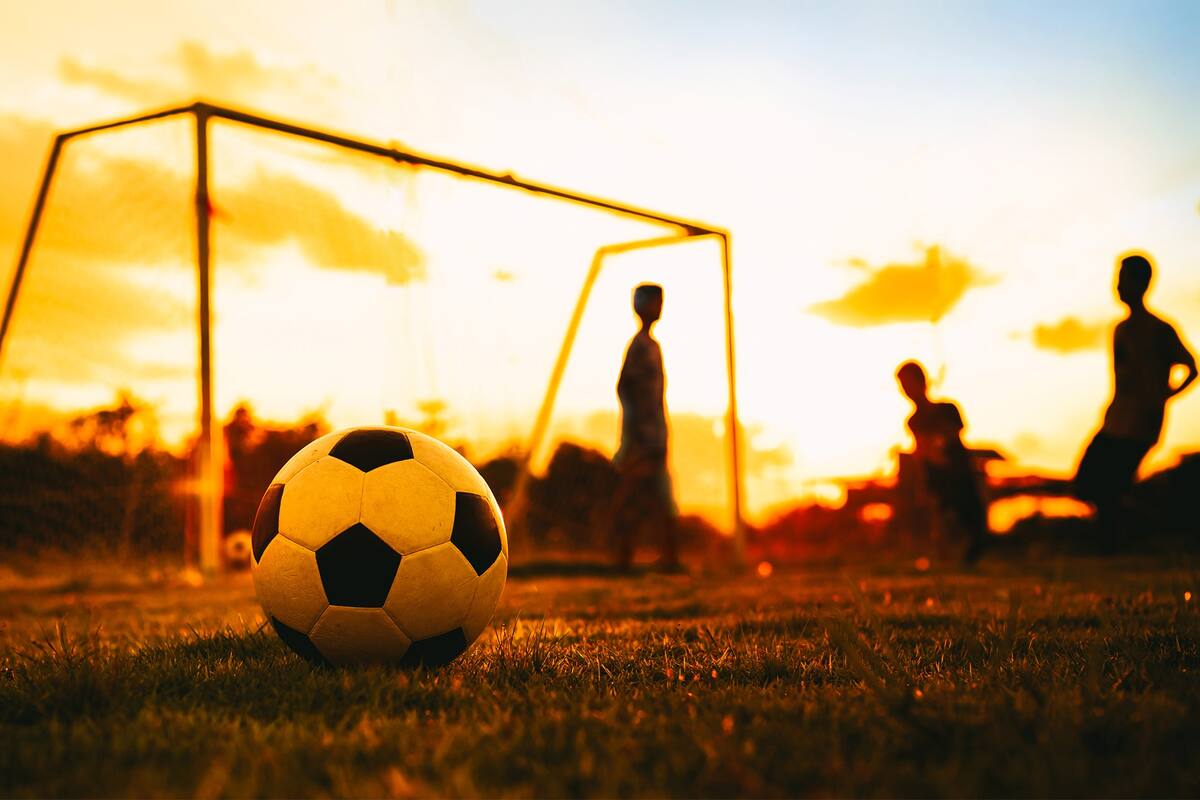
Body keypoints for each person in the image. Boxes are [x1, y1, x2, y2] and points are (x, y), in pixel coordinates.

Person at [1074, 253, 1196, 542]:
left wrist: (1165, 396)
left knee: (1113, 485)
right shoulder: (1120, 329)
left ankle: (1130, 538)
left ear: (1140, 283)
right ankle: (1122, 537)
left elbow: (1192, 368)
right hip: (1116, 419)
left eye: (1122, 278)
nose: (1116, 286)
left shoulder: (1160, 330)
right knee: (1089, 482)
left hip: (1141, 423)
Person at [611, 283, 679, 570]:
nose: (658, 306)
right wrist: (636, 436)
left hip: (655, 439)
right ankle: (623, 559)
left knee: (660, 501)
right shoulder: (639, 347)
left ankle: (668, 559)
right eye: (653, 301)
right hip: (642, 441)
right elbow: (624, 388)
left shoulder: (652, 346)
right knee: (636, 500)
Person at [896, 360, 988, 564]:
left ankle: (966, 560)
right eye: (903, 386)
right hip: (937, 478)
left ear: (922, 381)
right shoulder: (914, 421)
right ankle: (944, 560)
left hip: (960, 474)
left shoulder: (948, 409)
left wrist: (937, 446)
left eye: (909, 384)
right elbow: (923, 452)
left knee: (973, 522)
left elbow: (954, 437)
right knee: (941, 519)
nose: (907, 390)